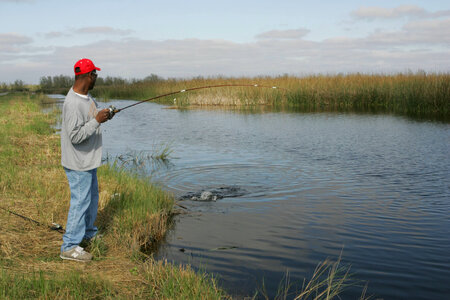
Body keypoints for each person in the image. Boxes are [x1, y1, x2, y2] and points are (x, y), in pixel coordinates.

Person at [60, 58, 112, 262]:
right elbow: (75, 136)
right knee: (80, 202)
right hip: (78, 163)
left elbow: (92, 119)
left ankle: (88, 234)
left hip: (89, 161)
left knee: (91, 201)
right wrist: (97, 121)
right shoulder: (72, 103)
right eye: (95, 75)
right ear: (88, 76)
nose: (96, 78)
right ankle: (69, 247)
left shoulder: (87, 98)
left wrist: (104, 115)